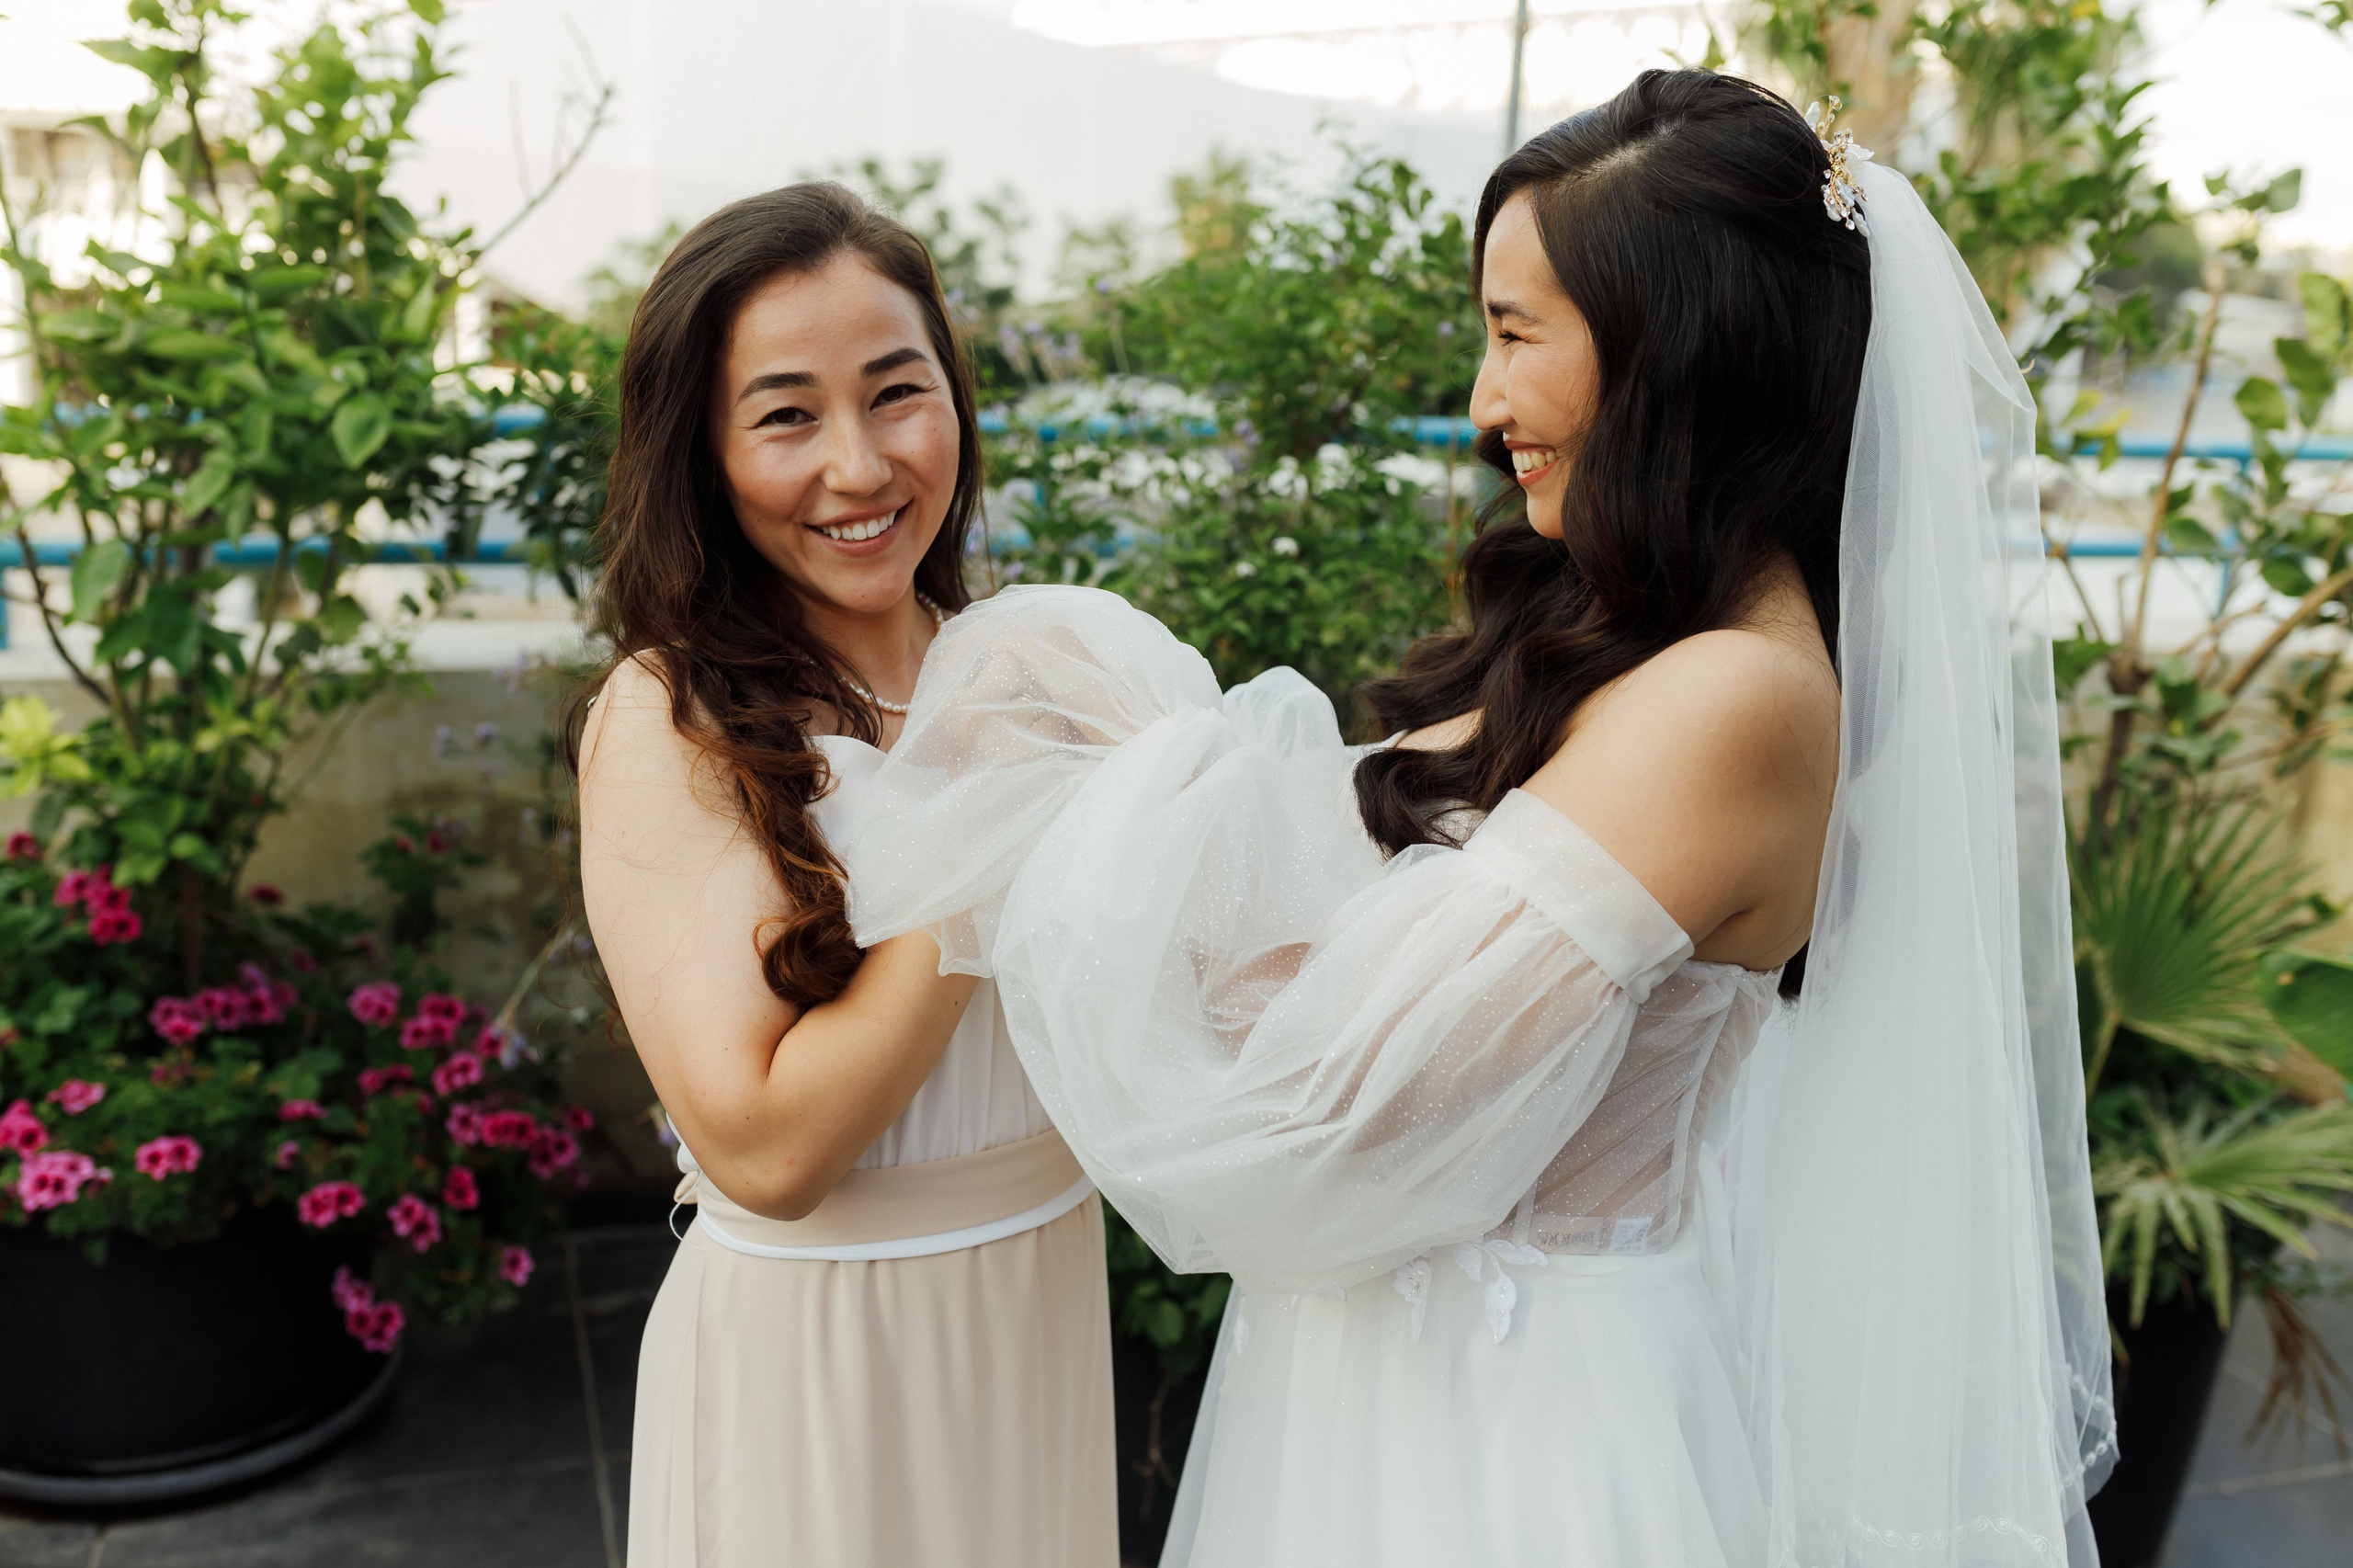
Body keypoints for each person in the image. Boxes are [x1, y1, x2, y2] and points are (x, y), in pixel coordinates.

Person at [842, 72, 2113, 1567]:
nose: (1482, 402)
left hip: (1520, 1435)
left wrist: (1097, 775)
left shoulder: (1733, 702)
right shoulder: (1624, 636)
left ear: (1675, 346)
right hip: (1392, 1382)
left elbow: (1350, 1117)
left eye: (1516, 336)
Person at [572, 183, 1116, 1568]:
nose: (863, 467)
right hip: (819, 1358)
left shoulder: (1036, 668)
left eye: (896, 393)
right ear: (702, 449)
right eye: (787, 416)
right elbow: (768, 1147)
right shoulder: (669, 714)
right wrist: (989, 827)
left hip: (1035, 1308)